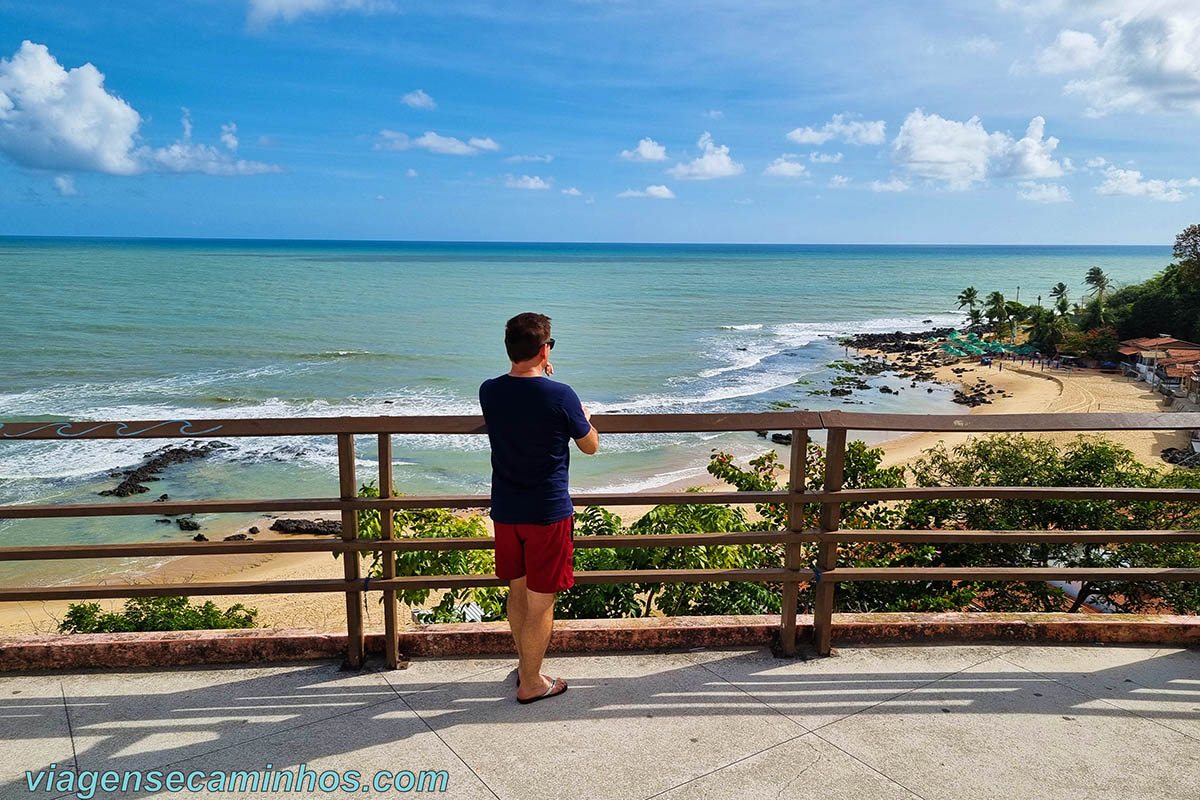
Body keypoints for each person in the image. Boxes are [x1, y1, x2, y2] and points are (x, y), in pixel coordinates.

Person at [479, 312, 599, 704]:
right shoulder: (560, 394)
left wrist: (540, 369)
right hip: (547, 511)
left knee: (517, 589)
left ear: (509, 348)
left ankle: (525, 665)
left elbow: (519, 406)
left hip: (506, 509)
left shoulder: (489, 391)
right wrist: (583, 419)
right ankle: (531, 682)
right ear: (545, 349)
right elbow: (589, 445)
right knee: (542, 597)